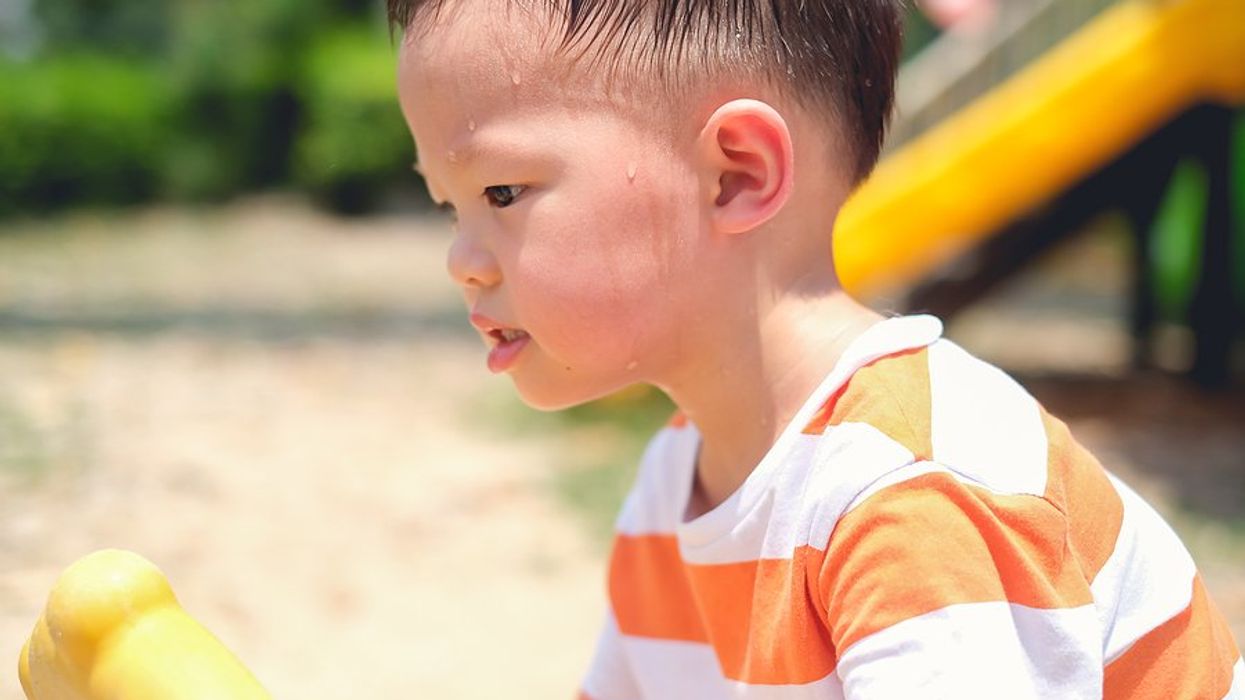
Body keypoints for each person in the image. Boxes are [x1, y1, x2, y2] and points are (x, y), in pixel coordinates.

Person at [387, 0, 1243, 696]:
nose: (462, 261)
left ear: (736, 175)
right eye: (447, 208)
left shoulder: (915, 489)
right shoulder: (671, 486)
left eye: (500, 191)